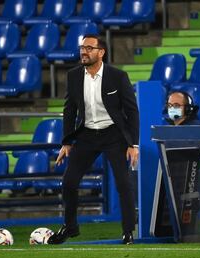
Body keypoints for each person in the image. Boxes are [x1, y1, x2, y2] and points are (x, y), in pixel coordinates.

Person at [48, 34, 139, 245]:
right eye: (82, 47)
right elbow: (69, 110)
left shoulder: (118, 76)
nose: (84, 51)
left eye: (89, 47)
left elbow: (132, 112)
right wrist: (67, 142)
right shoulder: (73, 76)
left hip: (114, 134)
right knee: (69, 182)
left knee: (123, 184)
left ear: (101, 52)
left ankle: (128, 231)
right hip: (87, 134)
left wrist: (132, 144)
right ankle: (70, 227)